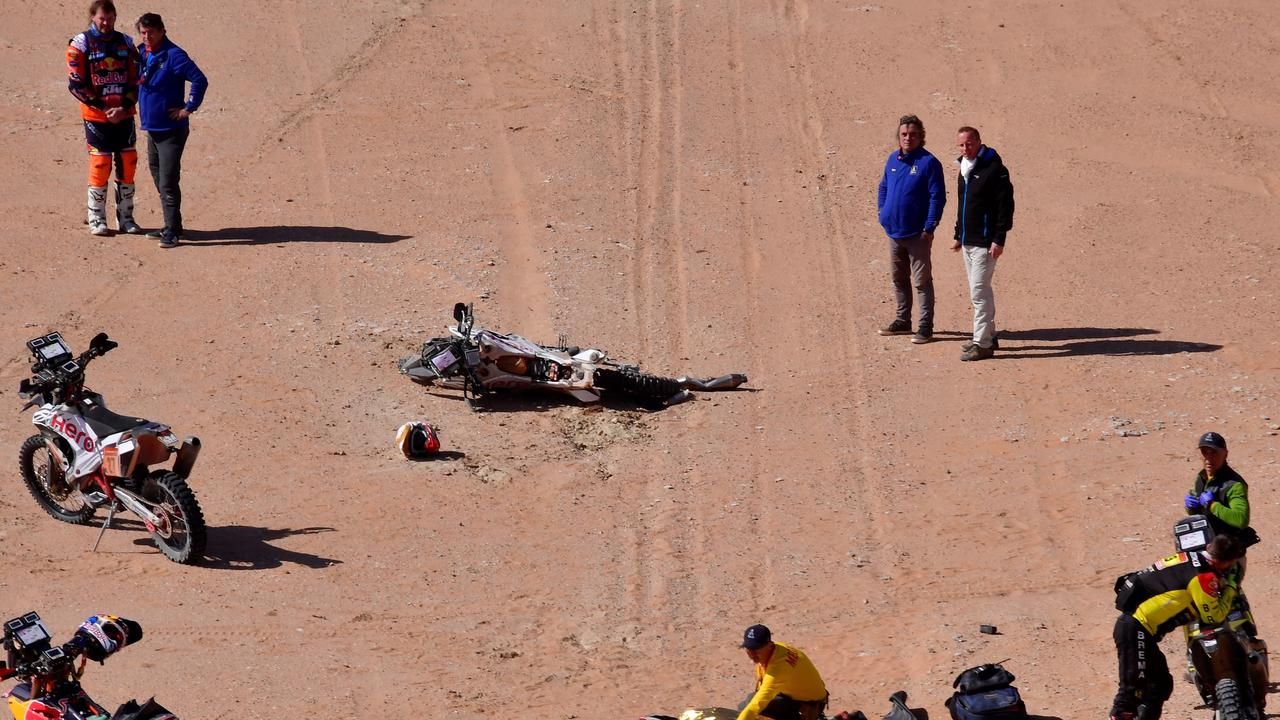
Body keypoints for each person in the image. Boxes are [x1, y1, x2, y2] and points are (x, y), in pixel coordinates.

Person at [1110, 534, 1243, 720]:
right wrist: (1230, 587)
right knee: (1131, 692)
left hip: (1138, 628)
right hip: (1136, 627)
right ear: (1226, 562)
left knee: (1160, 684)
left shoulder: (1189, 557)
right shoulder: (1203, 575)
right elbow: (1213, 615)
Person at [67, 0, 142, 236]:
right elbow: (75, 84)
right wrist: (103, 108)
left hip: (124, 115)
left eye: (110, 18)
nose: (106, 23)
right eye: (102, 18)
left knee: (128, 162)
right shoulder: (80, 44)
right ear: (93, 17)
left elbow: (138, 79)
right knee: (101, 163)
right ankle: (96, 218)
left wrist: (125, 106)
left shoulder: (127, 43)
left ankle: (127, 217)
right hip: (96, 117)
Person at [135, 12, 208, 248]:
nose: (146, 37)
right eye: (143, 33)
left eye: (151, 32)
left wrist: (188, 108)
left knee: (167, 180)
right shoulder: (142, 52)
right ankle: (173, 225)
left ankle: (172, 231)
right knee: (158, 176)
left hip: (171, 130)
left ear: (162, 31)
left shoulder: (175, 55)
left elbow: (199, 79)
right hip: (153, 128)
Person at [877, 114, 946, 344]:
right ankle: (903, 321)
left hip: (918, 234)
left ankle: (925, 326)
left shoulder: (929, 163)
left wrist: (930, 226)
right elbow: (883, 186)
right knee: (899, 279)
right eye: (904, 134)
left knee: (922, 281)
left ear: (921, 136)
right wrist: (883, 212)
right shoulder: (893, 160)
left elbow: (937, 197)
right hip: (894, 232)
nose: (908, 138)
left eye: (913, 134)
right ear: (899, 136)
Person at [1183, 431, 1259, 632]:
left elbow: (1240, 519)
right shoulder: (1201, 478)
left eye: (1214, 453)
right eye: (1205, 452)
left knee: (1231, 598)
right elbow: (1198, 513)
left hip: (1229, 556)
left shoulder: (1234, 484)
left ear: (1225, 454)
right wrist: (1191, 507)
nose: (1209, 458)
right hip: (1206, 553)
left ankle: (1249, 639)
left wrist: (1214, 505)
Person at [950, 127, 1014, 361]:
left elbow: (1005, 207)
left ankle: (983, 343)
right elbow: (963, 204)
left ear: (979, 142)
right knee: (980, 290)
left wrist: (999, 239)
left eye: (969, 144)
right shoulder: (965, 168)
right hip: (969, 241)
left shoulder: (994, 170)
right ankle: (988, 334)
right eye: (961, 145)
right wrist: (959, 234)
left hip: (986, 244)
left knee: (978, 292)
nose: (965, 149)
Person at [736, 624, 828, 720]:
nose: (752, 654)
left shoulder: (779, 668)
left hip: (807, 705)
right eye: (749, 649)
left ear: (769, 646)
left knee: (747, 706)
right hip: (797, 695)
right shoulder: (776, 649)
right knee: (748, 703)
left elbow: (758, 703)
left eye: (756, 650)